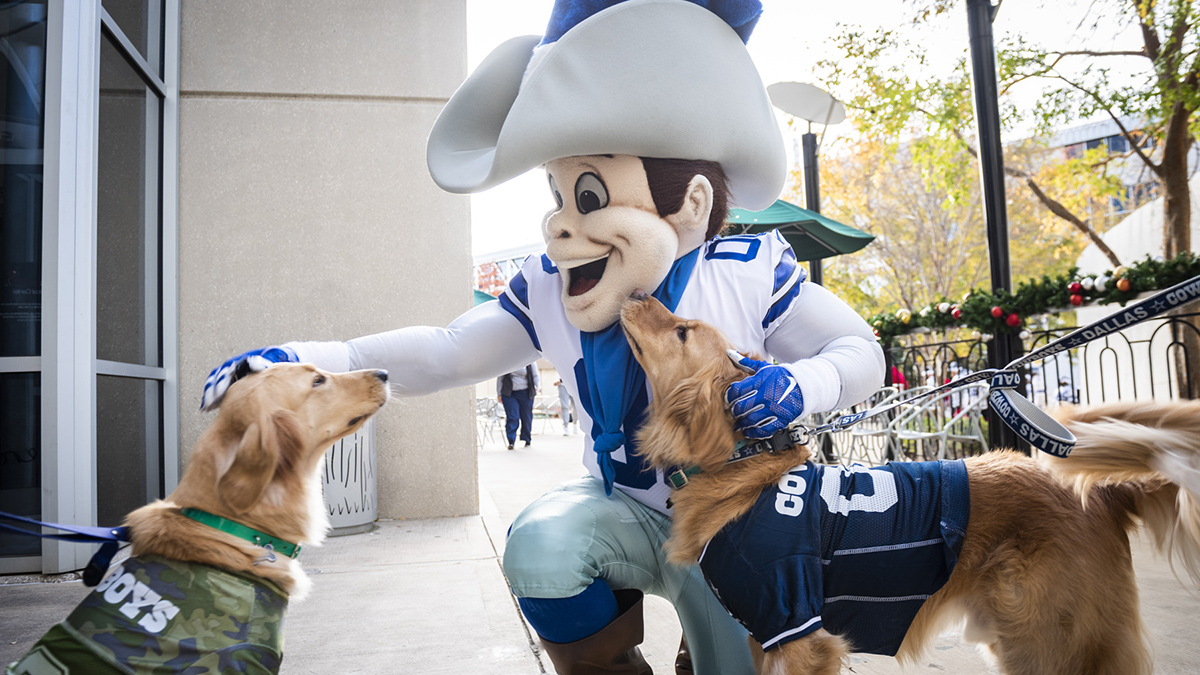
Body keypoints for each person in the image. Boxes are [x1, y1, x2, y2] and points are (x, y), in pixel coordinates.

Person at [200, 2, 885, 673]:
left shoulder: (745, 271)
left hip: (732, 522)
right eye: (558, 196)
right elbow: (446, 351)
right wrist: (299, 358)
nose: (560, 224)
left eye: (588, 196)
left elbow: (861, 353)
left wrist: (800, 385)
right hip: (625, 513)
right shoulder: (549, 285)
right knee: (541, 548)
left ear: (691, 203)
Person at [498, 364, 540, 449]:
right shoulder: (507, 360)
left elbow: (535, 375)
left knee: (526, 416)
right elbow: (500, 378)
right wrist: (499, 393)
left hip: (526, 393)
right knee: (513, 416)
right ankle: (511, 441)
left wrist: (538, 386)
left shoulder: (530, 359)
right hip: (509, 393)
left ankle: (527, 439)